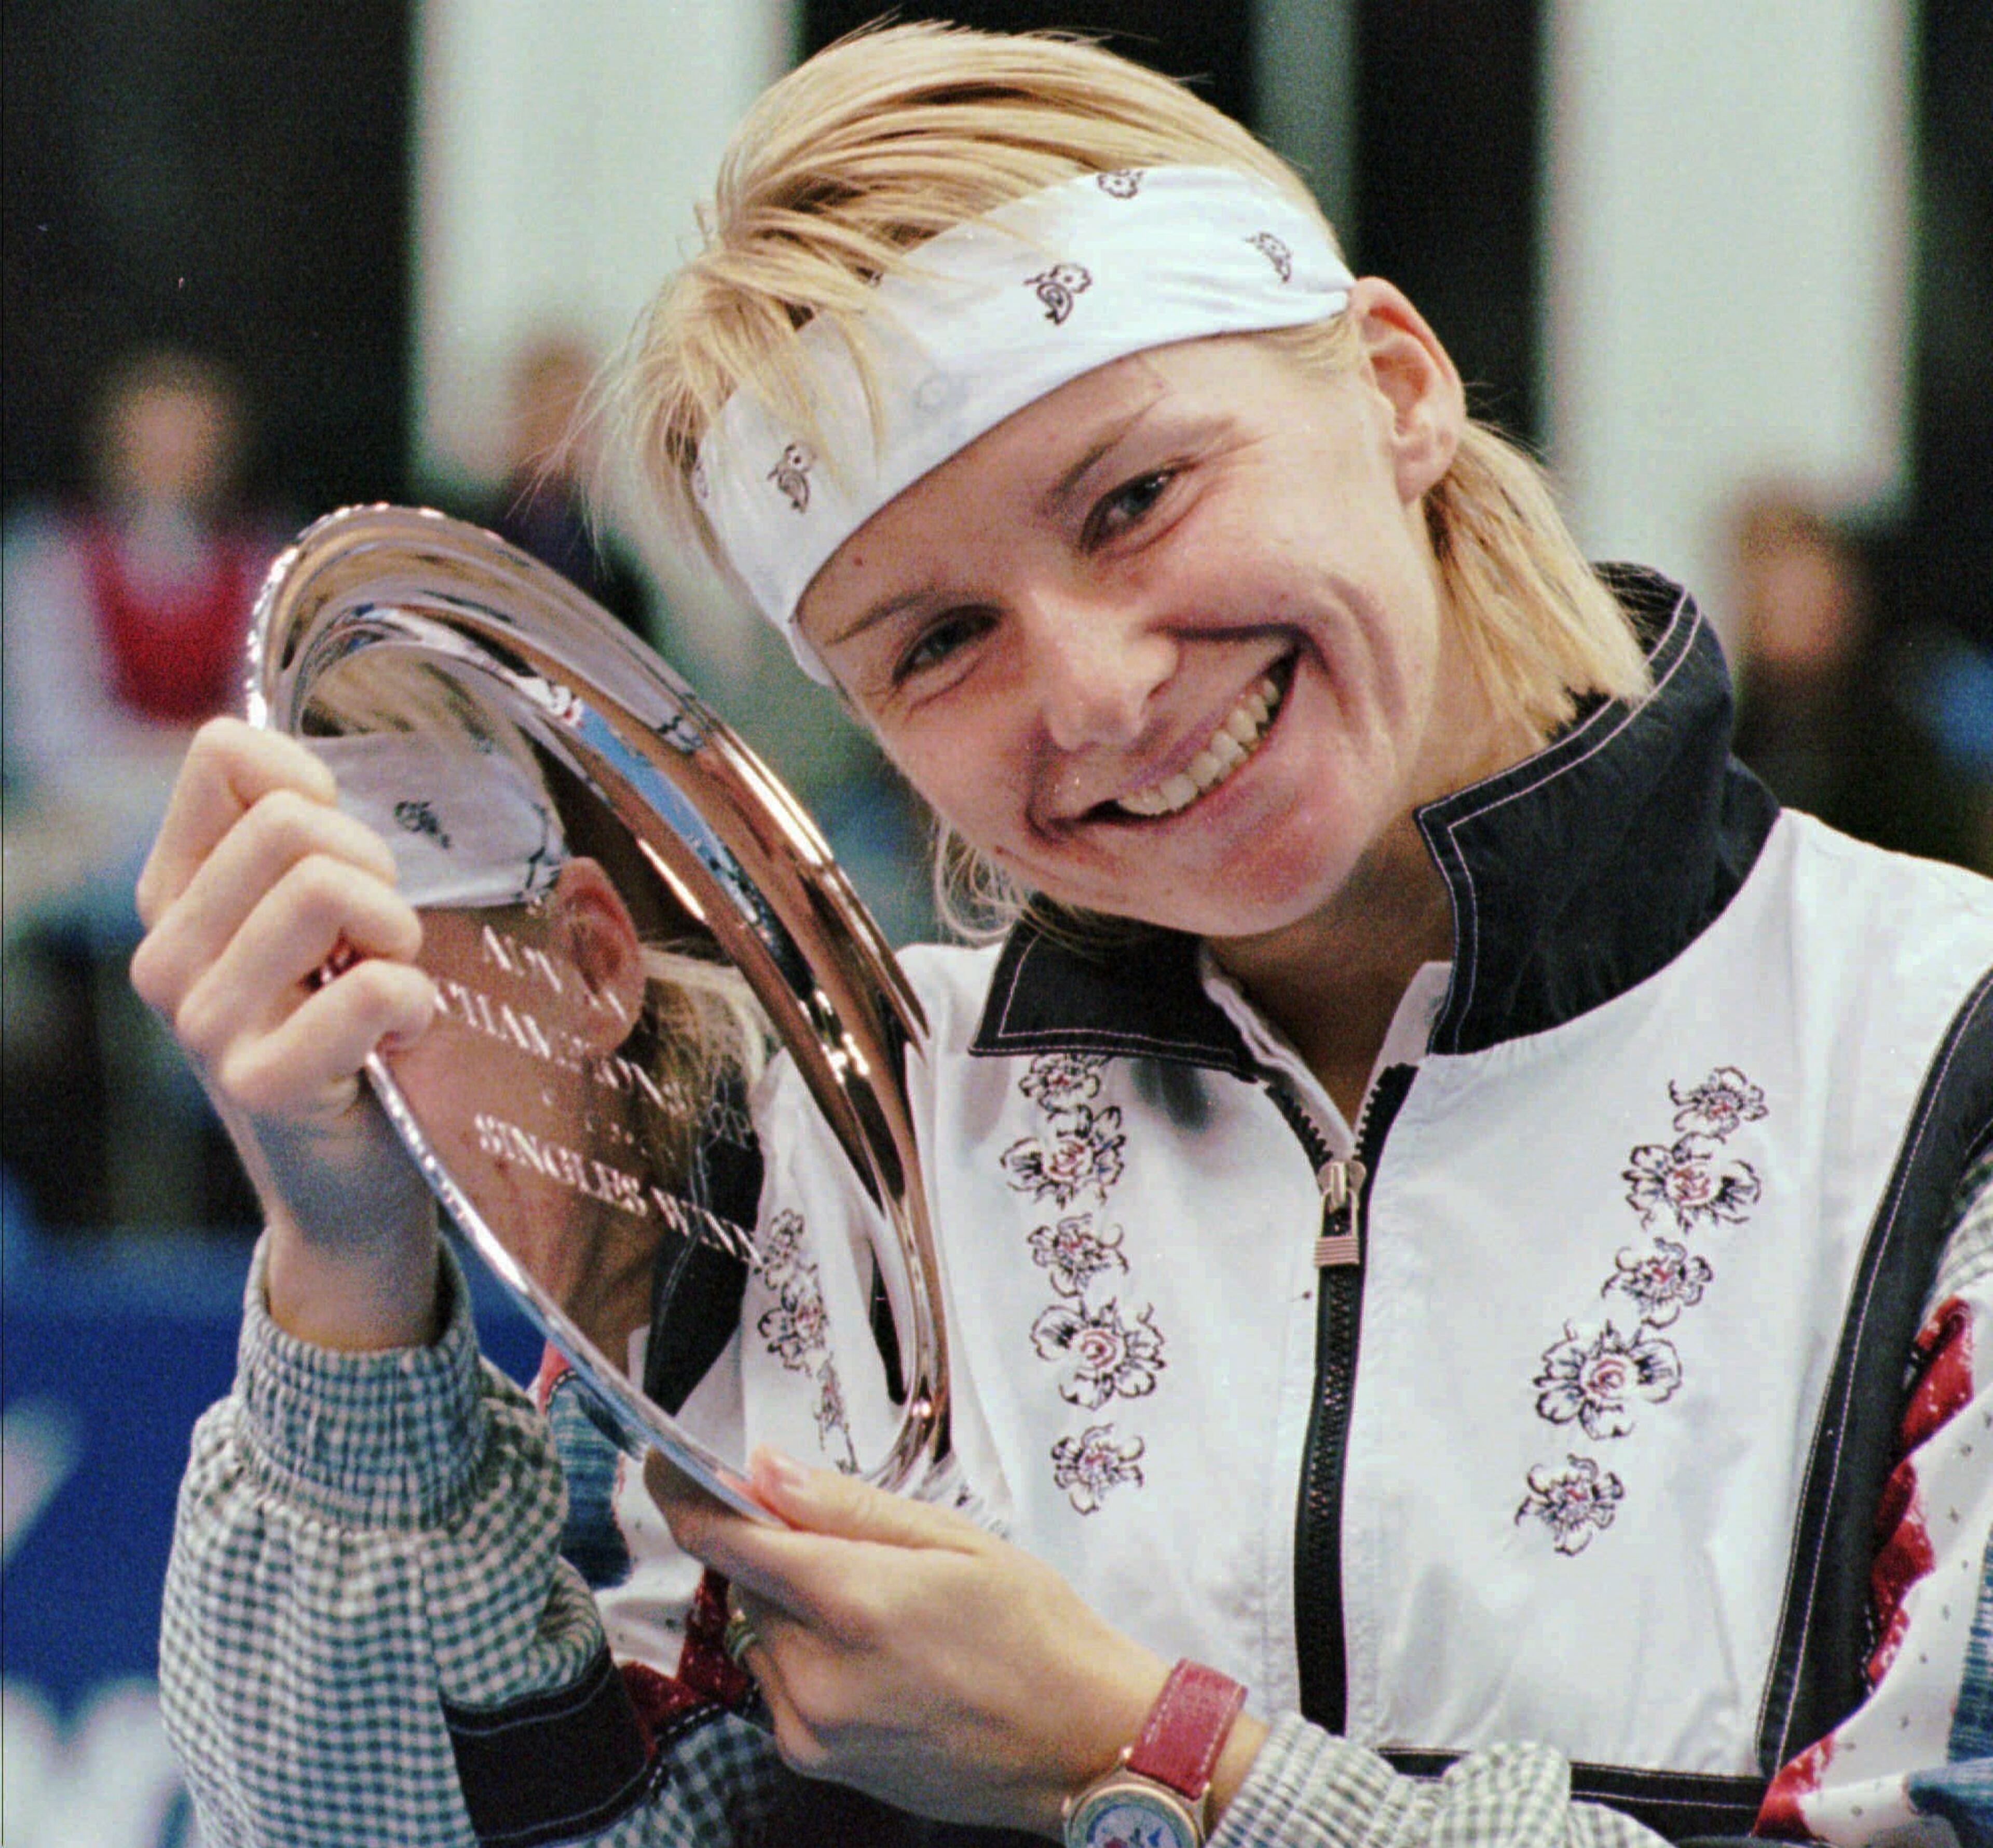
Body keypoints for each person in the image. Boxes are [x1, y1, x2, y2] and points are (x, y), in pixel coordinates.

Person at [136, 24, 1993, 1848]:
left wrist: (1154, 1760)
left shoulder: (1933, 1058)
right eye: (939, 643)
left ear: (1397, 383)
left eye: (1136, 499)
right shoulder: (841, 1159)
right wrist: (352, 1275)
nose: (1096, 696)